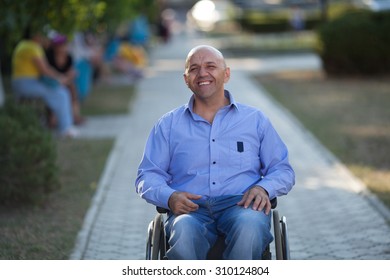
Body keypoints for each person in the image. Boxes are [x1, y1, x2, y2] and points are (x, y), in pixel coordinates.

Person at [135, 45, 295, 260]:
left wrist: (264, 189)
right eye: (194, 69)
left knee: (250, 226)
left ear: (226, 74)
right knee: (183, 231)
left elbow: (282, 170)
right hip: (190, 210)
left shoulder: (255, 120)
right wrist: (170, 197)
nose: (202, 73)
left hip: (242, 205)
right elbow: (147, 175)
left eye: (211, 66)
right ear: (186, 79)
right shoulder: (167, 126)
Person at [11, 27, 77, 137]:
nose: (43, 38)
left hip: (20, 83)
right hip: (27, 84)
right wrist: (60, 78)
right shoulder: (33, 47)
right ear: (35, 36)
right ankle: (65, 128)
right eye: (41, 35)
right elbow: (45, 69)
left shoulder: (22, 45)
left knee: (59, 92)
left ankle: (60, 123)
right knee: (61, 94)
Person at [46, 34, 85, 125]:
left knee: (72, 89)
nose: (62, 48)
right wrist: (62, 78)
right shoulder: (49, 57)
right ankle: (54, 118)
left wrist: (65, 78)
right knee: (59, 90)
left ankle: (75, 116)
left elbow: (72, 73)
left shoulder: (69, 58)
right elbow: (48, 72)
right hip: (52, 82)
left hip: (65, 81)